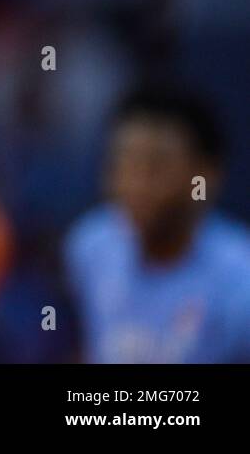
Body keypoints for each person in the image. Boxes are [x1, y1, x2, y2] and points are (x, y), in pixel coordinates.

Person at [63, 84, 250, 362]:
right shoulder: (89, 245)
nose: (136, 185)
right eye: (124, 164)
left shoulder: (240, 280)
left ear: (205, 175)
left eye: (155, 167)